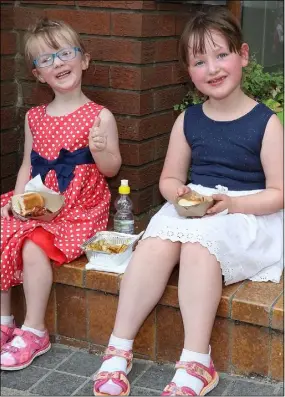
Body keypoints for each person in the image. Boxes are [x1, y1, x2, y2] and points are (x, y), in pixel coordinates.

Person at [93, 6, 283, 397]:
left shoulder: (266, 123)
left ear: (243, 55)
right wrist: (176, 194)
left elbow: (279, 194)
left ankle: (198, 359)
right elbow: (170, 179)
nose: (212, 68)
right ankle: (119, 348)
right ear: (188, 71)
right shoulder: (188, 121)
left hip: (246, 212)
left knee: (197, 248)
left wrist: (228, 204)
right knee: (153, 244)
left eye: (221, 55)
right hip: (197, 207)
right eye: (199, 61)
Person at [0, 17, 121, 370]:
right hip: (38, 201)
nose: (58, 63)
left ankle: (35, 329)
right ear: (38, 74)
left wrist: (99, 150)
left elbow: (112, 168)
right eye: (46, 59)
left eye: (65, 53)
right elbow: (27, 165)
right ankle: (5, 322)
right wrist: (16, 200)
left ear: (84, 59)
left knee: (33, 243)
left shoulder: (100, 116)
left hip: (79, 208)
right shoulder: (35, 116)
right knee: (3, 229)